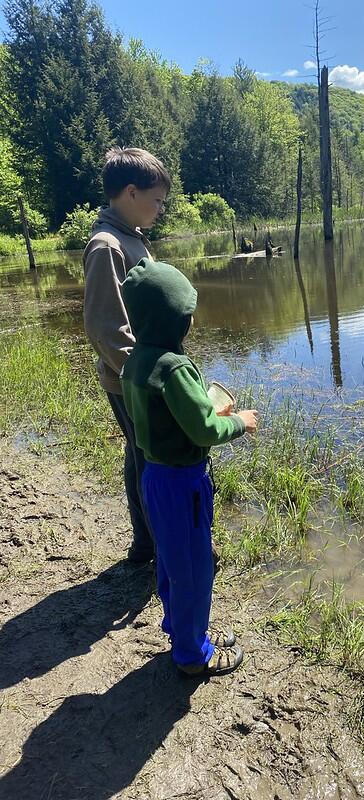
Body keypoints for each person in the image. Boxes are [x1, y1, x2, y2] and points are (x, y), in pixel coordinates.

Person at [120, 257, 258, 676]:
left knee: (172, 561)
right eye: (187, 314)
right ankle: (192, 654)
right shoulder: (174, 368)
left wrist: (204, 412)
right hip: (183, 484)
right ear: (174, 320)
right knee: (195, 568)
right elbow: (202, 430)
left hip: (155, 479)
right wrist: (236, 420)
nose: (192, 321)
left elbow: (168, 420)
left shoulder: (133, 362)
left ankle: (183, 627)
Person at [83, 147, 170, 562]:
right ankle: (155, 544)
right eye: (156, 200)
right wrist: (151, 380)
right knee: (150, 457)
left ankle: (146, 544)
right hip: (131, 380)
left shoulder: (130, 238)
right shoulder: (107, 246)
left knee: (140, 454)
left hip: (139, 376)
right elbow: (105, 329)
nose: (160, 209)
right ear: (131, 193)